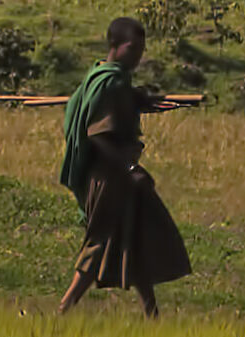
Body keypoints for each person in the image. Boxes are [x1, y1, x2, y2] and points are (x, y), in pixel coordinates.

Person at [55, 16, 192, 317]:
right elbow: (99, 136)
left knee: (135, 237)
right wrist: (131, 170)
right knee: (100, 242)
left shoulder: (102, 76)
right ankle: (63, 310)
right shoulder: (111, 81)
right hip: (110, 176)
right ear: (115, 46)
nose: (137, 56)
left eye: (141, 50)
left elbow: (111, 104)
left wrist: (139, 100)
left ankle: (152, 315)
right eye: (132, 49)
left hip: (115, 175)